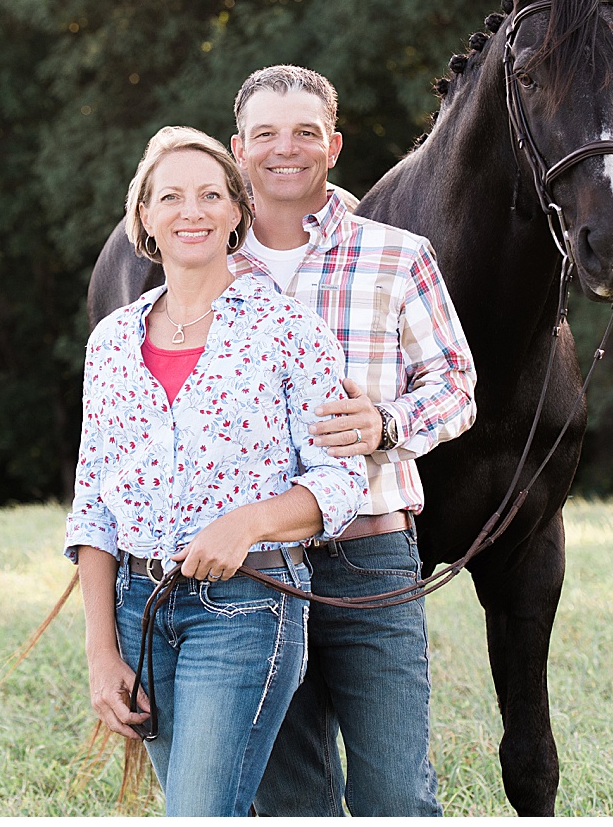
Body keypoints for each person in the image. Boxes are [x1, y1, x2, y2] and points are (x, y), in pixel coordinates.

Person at [65, 125, 368, 818]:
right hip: (139, 611)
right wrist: (101, 652)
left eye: (209, 195)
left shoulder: (288, 330)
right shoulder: (111, 341)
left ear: (237, 210)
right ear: (144, 217)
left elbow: (341, 481)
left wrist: (248, 523)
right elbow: (93, 506)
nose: (191, 211)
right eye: (170, 197)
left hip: (247, 607)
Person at [230, 65, 478, 818]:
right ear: (238, 148)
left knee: (396, 794)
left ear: (333, 146)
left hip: (371, 556)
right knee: (291, 801)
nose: (286, 149)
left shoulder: (398, 255)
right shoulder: (203, 266)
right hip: (257, 569)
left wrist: (387, 423)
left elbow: (457, 384)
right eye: (266, 134)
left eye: (305, 132)